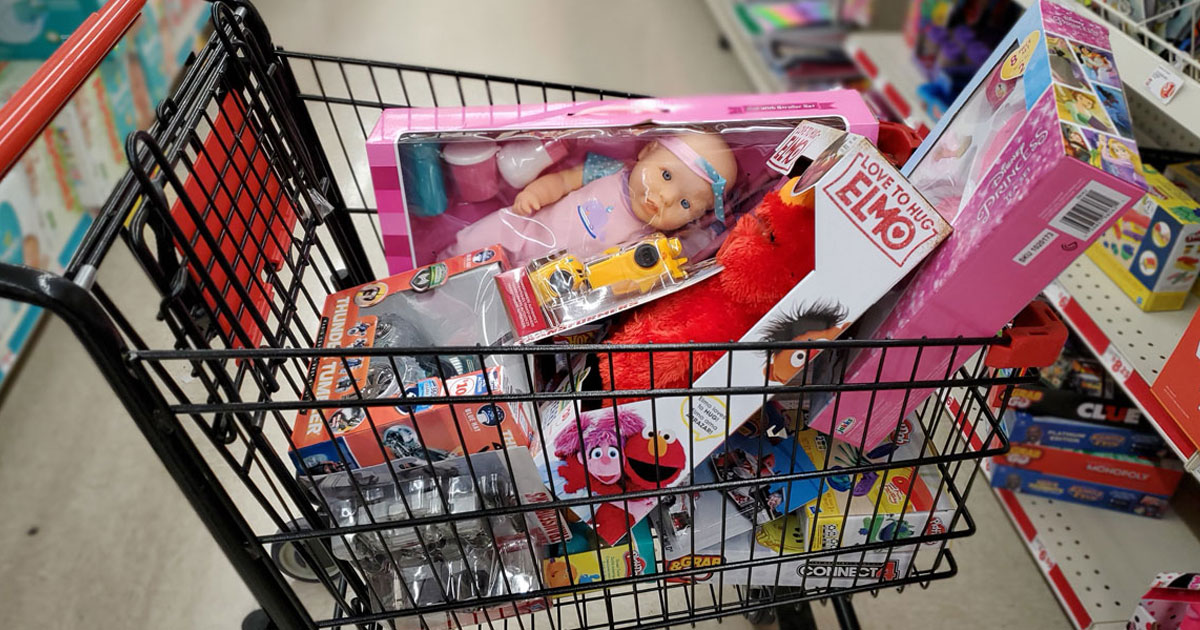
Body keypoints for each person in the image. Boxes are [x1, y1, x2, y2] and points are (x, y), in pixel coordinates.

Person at [443, 133, 738, 267]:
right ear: (647, 152)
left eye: (685, 204)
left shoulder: (656, 239)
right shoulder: (610, 170)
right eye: (666, 176)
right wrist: (535, 194)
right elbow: (563, 180)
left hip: (552, 279)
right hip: (529, 228)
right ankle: (448, 261)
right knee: (485, 238)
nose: (666, 197)